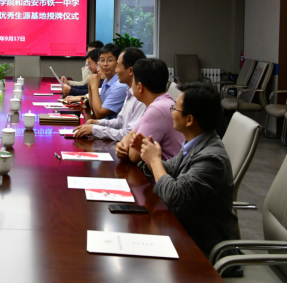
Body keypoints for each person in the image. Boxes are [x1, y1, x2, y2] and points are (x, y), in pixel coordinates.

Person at [136, 82, 239, 258]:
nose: (172, 113)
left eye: (174, 109)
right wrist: (148, 156)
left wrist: (154, 160)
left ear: (189, 120)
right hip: (183, 234)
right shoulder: (195, 143)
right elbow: (169, 168)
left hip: (204, 251)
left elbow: (174, 194)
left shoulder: (212, 159)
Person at [115, 59, 184, 163]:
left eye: (133, 81)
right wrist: (123, 144)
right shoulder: (162, 102)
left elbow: (134, 156)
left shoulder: (157, 109)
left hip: (166, 172)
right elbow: (130, 134)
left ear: (139, 86)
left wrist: (127, 144)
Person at [74, 47, 146, 140]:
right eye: (102, 60)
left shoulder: (136, 95)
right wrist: (98, 123)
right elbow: (119, 122)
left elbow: (128, 134)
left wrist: (95, 129)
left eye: (118, 66)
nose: (116, 70)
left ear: (130, 71)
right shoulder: (129, 91)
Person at [67, 43, 128, 120]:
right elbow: (94, 109)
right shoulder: (106, 81)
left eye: (110, 60)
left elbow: (99, 114)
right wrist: (90, 86)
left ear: (117, 62)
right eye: (102, 60)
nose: (105, 64)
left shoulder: (120, 86)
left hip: (110, 126)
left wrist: (94, 86)